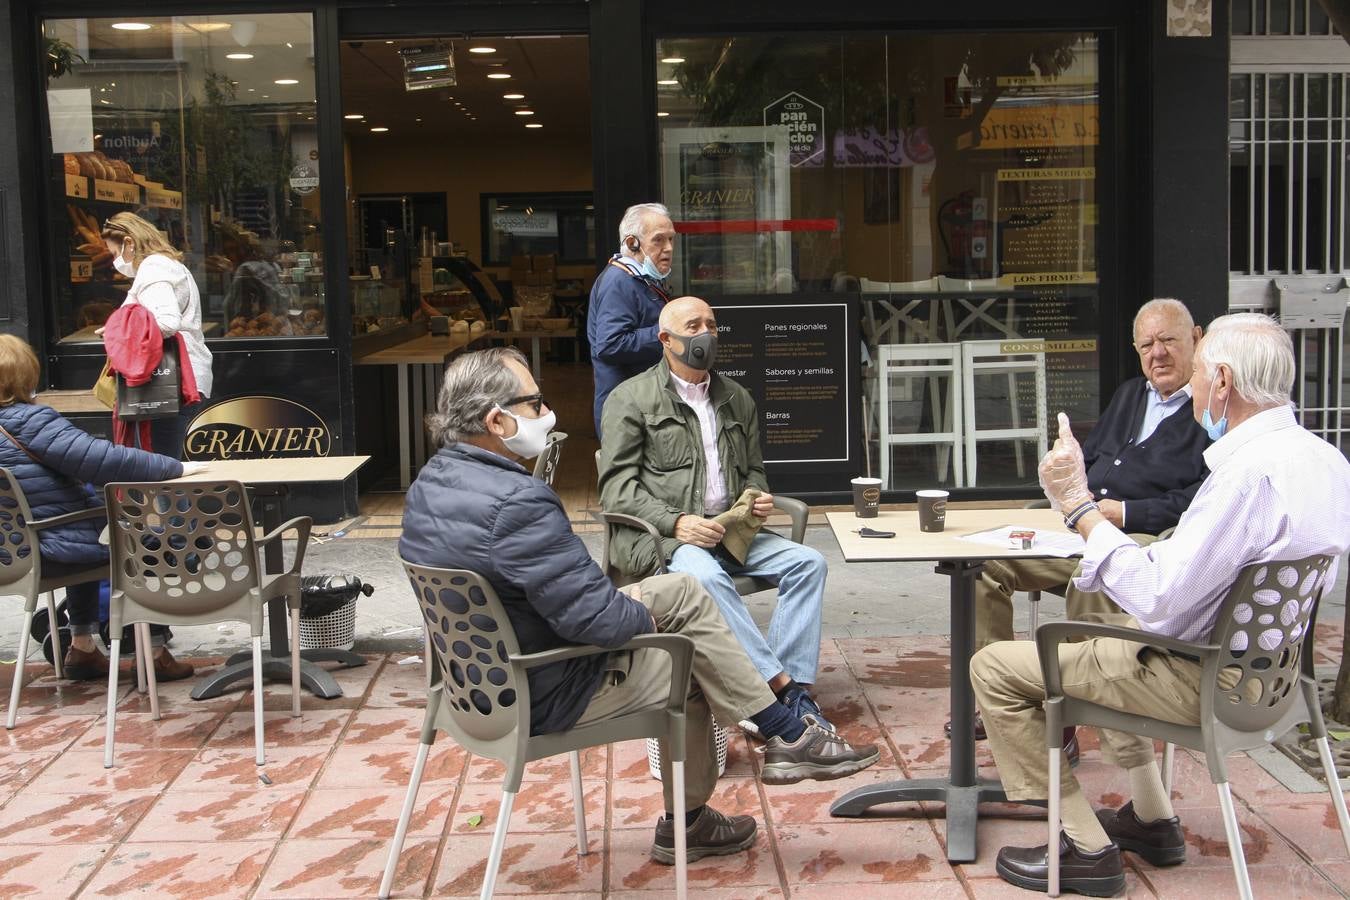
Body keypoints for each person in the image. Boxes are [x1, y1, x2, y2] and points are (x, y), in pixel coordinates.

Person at [400, 346, 879, 865]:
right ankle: (705, 809)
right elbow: (597, 621)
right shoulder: (518, 501)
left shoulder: (430, 484)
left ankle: (781, 730)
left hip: (468, 687)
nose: (547, 413)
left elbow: (568, 599)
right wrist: (645, 619)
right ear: (497, 420)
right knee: (689, 662)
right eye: (536, 403)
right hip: (543, 687)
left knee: (685, 593)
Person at [970, 313, 1350, 896]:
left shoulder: (1246, 476)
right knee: (1111, 637)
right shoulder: (1326, 460)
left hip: (1204, 681)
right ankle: (1152, 818)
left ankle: (1084, 847)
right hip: (1276, 682)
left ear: (1221, 380)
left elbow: (1160, 601)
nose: (1192, 388)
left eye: (1197, 373)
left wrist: (1076, 506)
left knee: (994, 668)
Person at [957, 298, 1211, 750]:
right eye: (1147, 344)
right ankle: (1008, 702)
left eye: (1169, 340)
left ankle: (1065, 714)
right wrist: (1065, 468)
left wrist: (1124, 513)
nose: (1158, 354)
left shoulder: (1209, 413)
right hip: (1078, 525)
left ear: (1196, 339)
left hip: (1139, 540)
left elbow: (1199, 499)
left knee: (1089, 578)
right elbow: (1092, 461)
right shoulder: (1132, 393)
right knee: (981, 566)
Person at [598, 297, 833, 733]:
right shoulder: (630, 399)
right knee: (704, 579)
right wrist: (676, 522)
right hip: (665, 539)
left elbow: (754, 471)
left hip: (730, 532)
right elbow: (617, 490)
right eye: (694, 325)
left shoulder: (736, 397)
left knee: (809, 563)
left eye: (712, 324)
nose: (706, 332)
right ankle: (775, 691)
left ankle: (793, 682)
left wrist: (757, 496)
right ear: (667, 339)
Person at [0, 336, 206, 681]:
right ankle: (153, 652)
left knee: (92, 532)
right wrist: (176, 467)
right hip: (49, 547)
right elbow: (105, 460)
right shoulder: (30, 422)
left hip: (12, 554)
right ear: (24, 376)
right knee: (149, 541)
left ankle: (82, 647)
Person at [100, 211, 214, 458]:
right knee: (166, 470)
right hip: (186, 377)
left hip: (170, 383)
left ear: (129, 242)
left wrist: (121, 332)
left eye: (113, 252)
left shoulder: (153, 269)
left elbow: (166, 322)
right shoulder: (168, 265)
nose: (114, 261)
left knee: (162, 475)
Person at [587, 202, 677, 434]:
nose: (668, 248)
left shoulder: (640, 278)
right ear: (631, 243)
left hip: (641, 410)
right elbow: (610, 344)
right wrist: (670, 333)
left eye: (671, 239)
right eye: (658, 240)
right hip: (626, 416)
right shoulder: (619, 281)